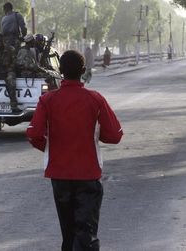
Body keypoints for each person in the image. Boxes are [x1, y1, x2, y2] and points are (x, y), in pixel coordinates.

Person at [26, 50, 123, 251]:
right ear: (83, 71)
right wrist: (94, 135)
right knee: (86, 231)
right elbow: (114, 135)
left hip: (59, 175)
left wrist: (50, 149)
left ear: (60, 71)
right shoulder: (95, 99)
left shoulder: (48, 100)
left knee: (68, 232)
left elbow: (34, 133)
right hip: (88, 174)